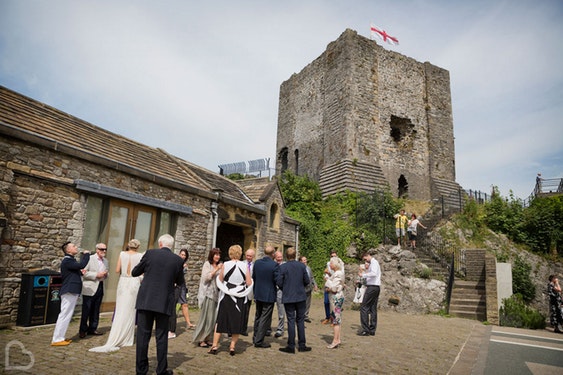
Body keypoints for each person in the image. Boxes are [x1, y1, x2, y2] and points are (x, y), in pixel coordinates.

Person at [132, 234, 185, 375]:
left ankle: (141, 370)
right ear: (171, 246)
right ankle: (161, 370)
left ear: (160, 243)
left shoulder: (150, 254)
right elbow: (180, 282)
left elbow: (135, 272)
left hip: (146, 300)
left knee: (143, 336)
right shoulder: (177, 260)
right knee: (162, 337)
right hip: (164, 302)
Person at [90, 239, 144, 352]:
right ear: (138, 247)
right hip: (134, 281)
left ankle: (117, 334)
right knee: (130, 309)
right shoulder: (140, 256)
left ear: (128, 246)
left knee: (120, 308)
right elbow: (141, 272)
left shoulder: (122, 254)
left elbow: (117, 270)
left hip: (123, 281)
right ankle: (126, 337)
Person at [208, 244, 253, 356]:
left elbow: (220, 279)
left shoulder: (225, 264)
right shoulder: (244, 266)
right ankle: (232, 347)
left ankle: (214, 345)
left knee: (220, 320)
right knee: (236, 321)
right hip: (239, 297)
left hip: (227, 296)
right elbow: (248, 283)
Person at [51, 242, 90, 346]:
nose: (76, 247)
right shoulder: (67, 260)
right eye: (73, 246)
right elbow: (81, 265)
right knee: (64, 314)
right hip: (69, 290)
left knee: (67, 314)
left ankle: (61, 337)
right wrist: (86, 254)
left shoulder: (70, 260)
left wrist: (81, 273)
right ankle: (57, 339)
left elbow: (74, 271)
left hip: (72, 290)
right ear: (68, 250)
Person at [276, 247, 311, 354]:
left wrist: (285, 289)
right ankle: (302, 344)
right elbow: (307, 280)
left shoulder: (283, 267)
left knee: (291, 320)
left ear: (286, 256)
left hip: (289, 296)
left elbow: (279, 282)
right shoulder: (301, 266)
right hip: (300, 296)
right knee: (300, 320)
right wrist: (301, 288)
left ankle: (291, 345)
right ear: (295, 255)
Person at [192, 248, 222, 348]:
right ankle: (201, 339)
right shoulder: (207, 264)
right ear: (212, 255)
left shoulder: (219, 266)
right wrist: (217, 269)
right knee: (206, 317)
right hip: (207, 294)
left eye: (218, 255)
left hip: (216, 295)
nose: (217, 256)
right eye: (216, 255)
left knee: (212, 318)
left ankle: (207, 338)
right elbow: (206, 278)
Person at [79, 243, 109, 338]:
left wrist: (105, 275)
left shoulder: (106, 261)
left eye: (105, 249)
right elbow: (83, 272)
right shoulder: (90, 259)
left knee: (96, 310)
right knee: (86, 310)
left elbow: (107, 272)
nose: (104, 251)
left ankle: (93, 328)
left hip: (100, 286)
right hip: (90, 287)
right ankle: (83, 330)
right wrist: (96, 275)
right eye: (102, 249)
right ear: (97, 250)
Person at [252, 245, 279, 348]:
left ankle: (255, 337)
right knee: (264, 317)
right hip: (268, 294)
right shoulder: (274, 265)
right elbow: (277, 280)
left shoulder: (257, 263)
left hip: (258, 292)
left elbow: (254, 277)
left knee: (258, 315)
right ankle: (259, 340)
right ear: (273, 254)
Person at [168, 248, 195, 339]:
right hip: (175, 285)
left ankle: (188, 323)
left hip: (181, 285)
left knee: (184, 304)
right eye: (181, 254)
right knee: (173, 305)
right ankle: (170, 326)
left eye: (184, 255)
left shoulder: (184, 265)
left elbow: (181, 276)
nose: (183, 256)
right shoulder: (175, 262)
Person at [358, 252, 381, 336]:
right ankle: (372, 329)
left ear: (367, 256)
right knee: (372, 308)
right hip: (375, 287)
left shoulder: (374, 263)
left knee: (364, 307)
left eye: (365, 259)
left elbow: (374, 274)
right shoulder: (373, 263)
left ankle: (366, 329)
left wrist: (363, 275)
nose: (365, 261)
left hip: (372, 287)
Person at [324, 256, 345, 349]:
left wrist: (327, 281)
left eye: (331, 263)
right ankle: (338, 338)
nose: (330, 265)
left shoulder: (338, 274)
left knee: (336, 319)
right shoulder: (337, 273)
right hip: (336, 297)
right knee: (337, 318)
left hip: (336, 297)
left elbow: (334, 287)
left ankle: (335, 340)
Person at [241, 248, 255, 336]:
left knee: (246, 310)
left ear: (253, 257)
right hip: (241, 290)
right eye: (247, 256)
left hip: (249, 290)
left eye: (250, 256)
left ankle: (243, 329)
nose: (248, 257)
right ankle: (234, 328)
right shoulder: (241, 264)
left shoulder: (255, 265)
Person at [299, 255, 317, 323]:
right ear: (300, 261)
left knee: (308, 303)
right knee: (301, 303)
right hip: (301, 288)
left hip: (308, 288)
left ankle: (306, 316)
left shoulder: (308, 268)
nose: (305, 261)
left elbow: (312, 277)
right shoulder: (299, 269)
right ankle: (300, 316)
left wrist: (315, 285)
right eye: (304, 260)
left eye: (305, 260)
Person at [321, 251, 338, 324]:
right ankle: (327, 317)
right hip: (328, 284)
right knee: (326, 302)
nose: (333, 258)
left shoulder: (338, 265)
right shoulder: (328, 264)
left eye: (334, 256)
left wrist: (328, 273)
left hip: (334, 286)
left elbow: (336, 276)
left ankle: (334, 319)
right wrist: (325, 276)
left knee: (334, 303)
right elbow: (326, 274)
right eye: (332, 256)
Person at [273, 250, 286, 337]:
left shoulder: (285, 266)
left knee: (281, 311)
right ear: (275, 257)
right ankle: (267, 328)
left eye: (281, 257)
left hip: (280, 290)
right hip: (271, 290)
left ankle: (280, 329)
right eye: (278, 257)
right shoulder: (272, 265)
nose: (280, 259)